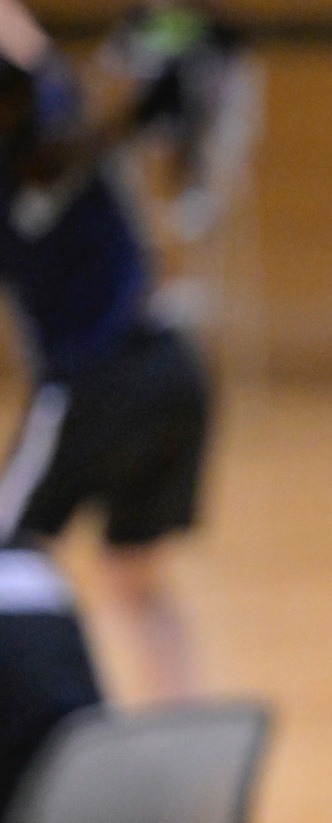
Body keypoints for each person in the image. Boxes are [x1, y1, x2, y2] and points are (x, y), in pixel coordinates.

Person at [0, 0, 213, 700]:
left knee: (8, 559)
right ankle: (186, 743)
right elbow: (30, 50)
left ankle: (53, 728)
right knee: (132, 577)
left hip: (94, 379)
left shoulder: (36, 140)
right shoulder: (66, 124)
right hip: (173, 367)